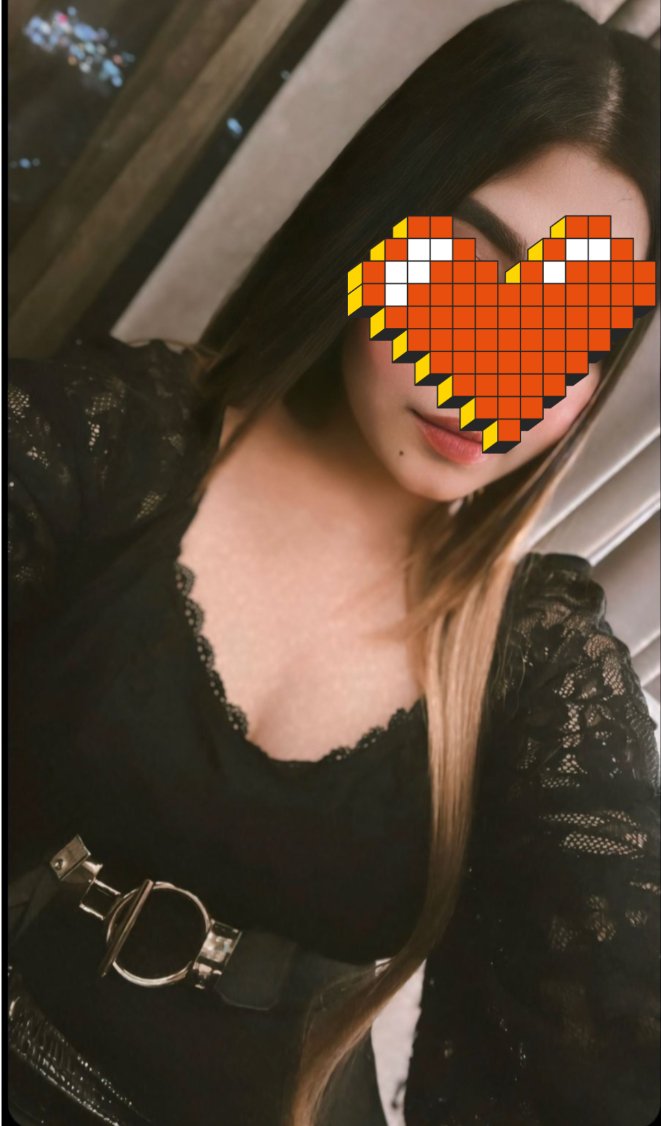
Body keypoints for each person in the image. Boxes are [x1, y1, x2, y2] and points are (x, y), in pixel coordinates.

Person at [7, 1, 660, 1124]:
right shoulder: (103, 444)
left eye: (573, 321)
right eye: (468, 270)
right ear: (374, 226)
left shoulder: (538, 666)